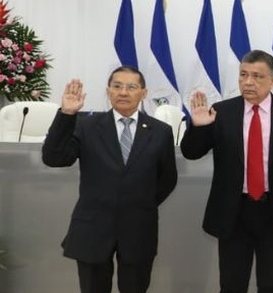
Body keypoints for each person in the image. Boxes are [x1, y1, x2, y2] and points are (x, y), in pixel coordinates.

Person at [42, 67, 178, 293]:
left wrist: (139, 203)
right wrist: (67, 114)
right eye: (117, 86)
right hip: (93, 227)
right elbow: (54, 158)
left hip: (138, 228)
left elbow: (167, 178)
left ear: (143, 93)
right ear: (108, 91)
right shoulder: (86, 126)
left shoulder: (160, 131)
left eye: (131, 87)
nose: (123, 92)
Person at [181, 50, 273, 293]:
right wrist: (199, 127)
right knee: (232, 283)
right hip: (233, 211)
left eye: (258, 76)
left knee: (272, 284)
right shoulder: (222, 111)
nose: (248, 82)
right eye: (243, 75)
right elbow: (191, 153)